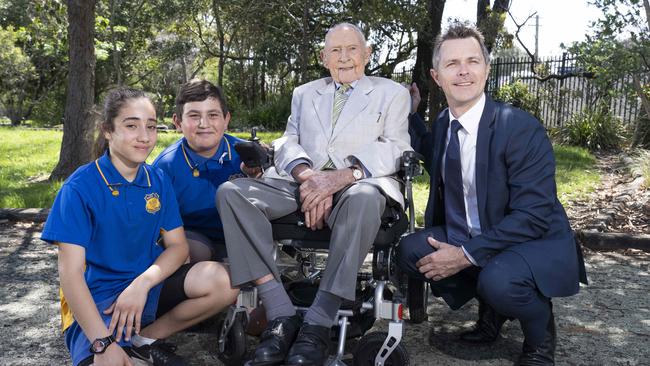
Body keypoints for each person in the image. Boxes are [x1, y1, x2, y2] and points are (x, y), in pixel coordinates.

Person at [216, 22, 412, 366]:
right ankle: (280, 313)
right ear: (324, 58)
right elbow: (288, 140)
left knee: (365, 197)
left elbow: (396, 147)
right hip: (300, 183)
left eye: (352, 49)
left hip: (357, 185)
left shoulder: (391, 93)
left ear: (366, 54)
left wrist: (339, 178)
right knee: (232, 192)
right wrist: (309, 177)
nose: (345, 57)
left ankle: (318, 323)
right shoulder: (305, 93)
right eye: (335, 51)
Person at [396, 23, 587, 366]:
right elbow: (428, 147)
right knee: (410, 250)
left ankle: (540, 336)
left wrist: (465, 254)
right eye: (452, 64)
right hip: (475, 231)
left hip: (531, 239)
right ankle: (492, 312)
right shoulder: (443, 124)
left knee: (499, 280)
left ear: (486, 69)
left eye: (473, 61)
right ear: (436, 76)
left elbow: (534, 215)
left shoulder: (519, 126)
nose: (464, 71)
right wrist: (412, 113)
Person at [41, 87, 238, 366]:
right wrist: (102, 343)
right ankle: (114, 343)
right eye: (131, 125)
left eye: (151, 126)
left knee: (225, 281)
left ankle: (144, 340)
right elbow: (70, 275)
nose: (144, 137)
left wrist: (141, 285)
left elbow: (179, 247)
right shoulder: (79, 188)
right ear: (108, 130)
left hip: (147, 289)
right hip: (100, 300)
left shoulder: (157, 179)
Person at [152, 79, 247, 263]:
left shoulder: (246, 154)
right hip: (192, 237)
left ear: (226, 119)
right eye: (194, 116)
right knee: (195, 250)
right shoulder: (165, 166)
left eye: (213, 115)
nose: (204, 124)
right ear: (177, 122)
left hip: (241, 236)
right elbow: (155, 224)